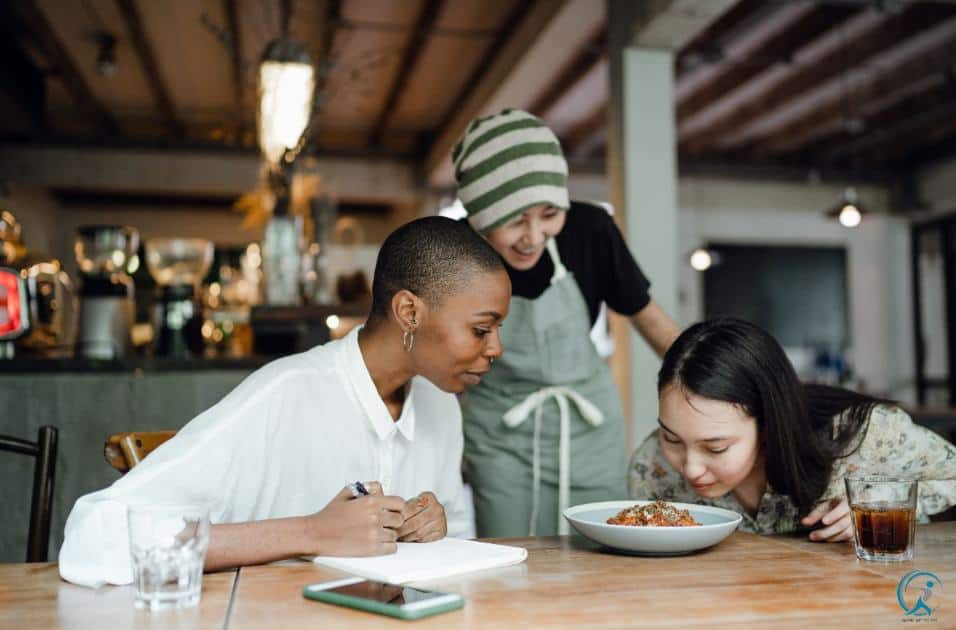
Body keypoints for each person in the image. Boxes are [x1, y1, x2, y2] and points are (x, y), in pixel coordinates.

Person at [59, 217, 511, 587]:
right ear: (409, 312)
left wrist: (434, 529)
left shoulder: (441, 404)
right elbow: (96, 536)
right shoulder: (286, 394)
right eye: (481, 329)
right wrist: (311, 532)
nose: (497, 349)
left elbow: (456, 548)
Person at [453, 108, 681, 537]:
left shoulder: (590, 230)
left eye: (548, 213)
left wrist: (722, 382)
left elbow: (651, 320)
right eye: (514, 219)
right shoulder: (456, 251)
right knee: (509, 557)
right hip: (500, 434)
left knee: (600, 551)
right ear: (479, 217)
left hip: (591, 430)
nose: (535, 236)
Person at [629, 317, 956, 540]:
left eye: (715, 448)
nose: (690, 468)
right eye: (671, 437)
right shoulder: (652, 466)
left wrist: (888, 502)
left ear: (769, 422)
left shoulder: (866, 433)